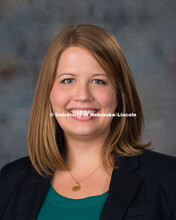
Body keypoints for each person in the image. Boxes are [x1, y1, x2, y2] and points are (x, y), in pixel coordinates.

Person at [0, 24, 176, 220]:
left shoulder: (169, 179)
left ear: (118, 96)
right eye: (68, 80)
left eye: (98, 81)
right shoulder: (8, 181)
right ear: (48, 94)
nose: (83, 96)